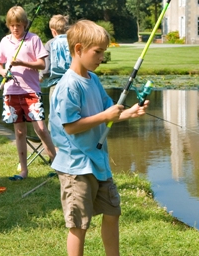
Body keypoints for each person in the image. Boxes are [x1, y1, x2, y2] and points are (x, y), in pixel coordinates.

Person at [49, 20, 148, 256]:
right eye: (98, 52)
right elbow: (71, 127)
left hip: (98, 162)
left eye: (104, 52)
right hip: (76, 166)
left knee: (113, 212)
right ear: (79, 49)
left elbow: (109, 112)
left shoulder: (92, 79)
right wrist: (105, 115)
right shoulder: (68, 86)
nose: (102, 57)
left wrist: (130, 112)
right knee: (78, 225)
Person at [0, 6, 56, 180]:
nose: (15, 29)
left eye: (19, 25)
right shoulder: (5, 41)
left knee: (41, 129)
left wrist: (22, 62)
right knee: (19, 132)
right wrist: (2, 73)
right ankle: (23, 170)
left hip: (31, 91)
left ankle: (58, 166)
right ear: (8, 25)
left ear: (25, 24)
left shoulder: (33, 39)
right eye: (12, 25)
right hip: (11, 91)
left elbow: (42, 64)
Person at [41, 14, 72, 89]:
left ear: (53, 31)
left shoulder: (49, 44)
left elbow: (46, 71)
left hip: (56, 85)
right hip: (73, 82)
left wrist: (40, 77)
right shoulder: (73, 42)